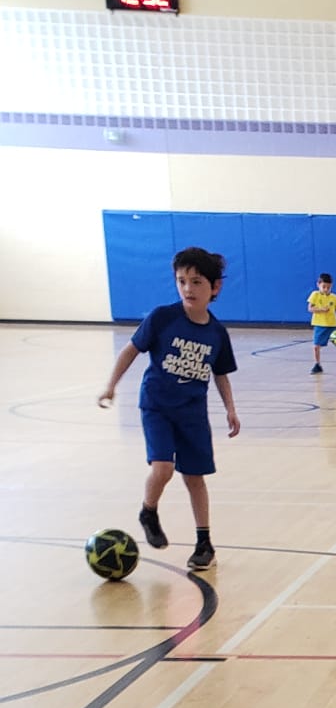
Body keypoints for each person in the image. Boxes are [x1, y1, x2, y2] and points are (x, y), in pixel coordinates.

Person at [97, 244, 239, 572]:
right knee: (163, 469)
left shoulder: (217, 333)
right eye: (181, 281)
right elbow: (130, 350)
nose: (188, 288)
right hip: (157, 406)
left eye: (197, 282)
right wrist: (111, 385)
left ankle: (204, 543)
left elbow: (220, 374)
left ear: (215, 287)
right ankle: (149, 511)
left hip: (192, 413)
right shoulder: (163, 317)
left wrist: (230, 409)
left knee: (195, 477)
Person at [307, 273, 336, 374]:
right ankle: (317, 365)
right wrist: (321, 309)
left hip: (332, 325)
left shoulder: (334, 297)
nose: (326, 289)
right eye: (324, 287)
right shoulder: (315, 295)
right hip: (319, 325)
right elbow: (310, 308)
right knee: (316, 346)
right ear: (318, 284)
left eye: (328, 287)